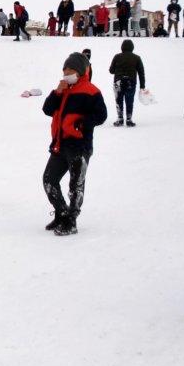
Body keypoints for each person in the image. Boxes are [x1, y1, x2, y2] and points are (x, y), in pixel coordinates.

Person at [41, 53, 107, 235]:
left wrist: (81, 123)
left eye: (69, 70)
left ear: (79, 72)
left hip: (79, 146)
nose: (66, 74)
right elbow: (47, 109)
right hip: (59, 144)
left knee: (75, 185)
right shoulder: (63, 90)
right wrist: (57, 92)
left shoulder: (91, 91)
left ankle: (71, 220)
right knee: (49, 180)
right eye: (64, 70)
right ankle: (61, 213)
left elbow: (101, 115)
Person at [108, 40, 145, 127]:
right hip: (131, 82)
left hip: (118, 81)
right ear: (132, 47)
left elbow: (111, 70)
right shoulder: (137, 58)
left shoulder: (117, 57)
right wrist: (142, 85)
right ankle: (129, 119)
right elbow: (141, 73)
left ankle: (120, 119)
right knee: (129, 100)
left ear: (122, 47)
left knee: (119, 100)